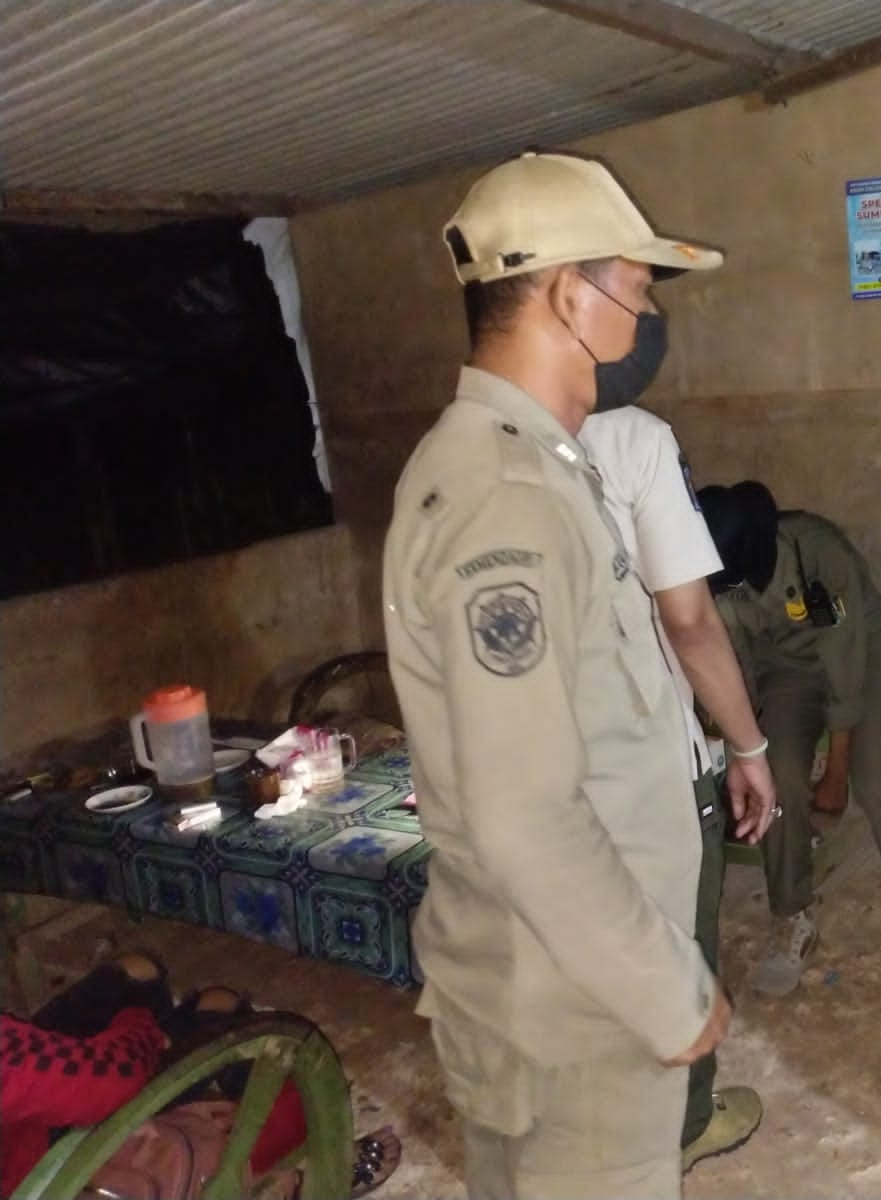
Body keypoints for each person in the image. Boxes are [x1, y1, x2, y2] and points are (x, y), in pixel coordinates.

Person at [382, 152, 730, 1199]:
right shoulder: (509, 497)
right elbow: (525, 815)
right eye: (635, 288)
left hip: (554, 980)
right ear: (570, 296)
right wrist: (668, 993)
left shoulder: (519, 463)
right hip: (575, 1007)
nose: (643, 319)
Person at [578, 402, 778, 1171]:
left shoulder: (469, 444)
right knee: (677, 949)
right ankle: (684, 1125)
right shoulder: (632, 440)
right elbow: (689, 621)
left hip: (553, 769)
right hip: (649, 763)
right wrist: (747, 747)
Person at [697, 481, 881, 1037]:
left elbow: (846, 667)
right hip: (788, 671)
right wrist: (739, 748)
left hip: (862, 658)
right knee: (778, 778)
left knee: (878, 784)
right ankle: (790, 913)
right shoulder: (712, 572)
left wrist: (838, 774)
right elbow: (735, 666)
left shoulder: (818, 551)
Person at [1, 952, 398, 1197]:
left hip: (23, 1124)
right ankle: (299, 1180)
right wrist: (138, 1025)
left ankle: (186, 1024)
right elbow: (111, 1080)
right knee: (213, 1008)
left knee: (140, 976)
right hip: (44, 1170)